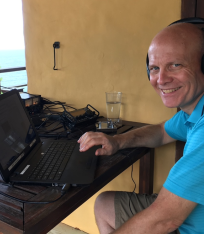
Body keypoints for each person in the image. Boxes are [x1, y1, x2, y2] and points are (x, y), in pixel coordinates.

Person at [78, 20, 204, 234]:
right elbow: (162, 132)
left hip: (183, 225)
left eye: (176, 65)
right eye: (154, 68)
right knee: (104, 204)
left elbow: (165, 221)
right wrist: (116, 141)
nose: (161, 79)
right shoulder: (193, 111)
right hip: (181, 218)